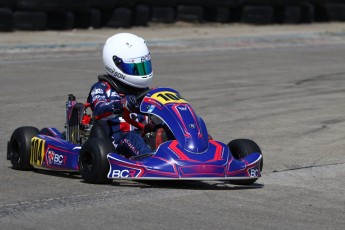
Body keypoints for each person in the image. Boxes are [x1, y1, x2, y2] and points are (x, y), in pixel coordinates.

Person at [87, 33, 154, 158]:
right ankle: (152, 163)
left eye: (143, 67)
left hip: (143, 137)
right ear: (115, 64)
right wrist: (121, 104)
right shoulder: (102, 88)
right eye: (134, 68)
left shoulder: (144, 91)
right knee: (132, 137)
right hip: (114, 142)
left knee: (164, 132)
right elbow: (99, 109)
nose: (141, 73)